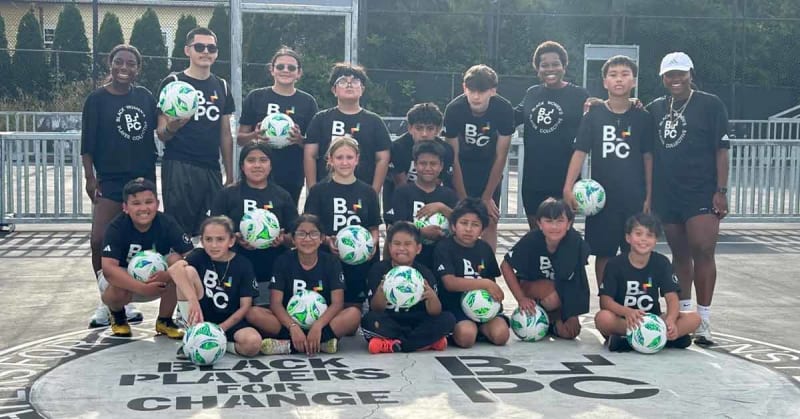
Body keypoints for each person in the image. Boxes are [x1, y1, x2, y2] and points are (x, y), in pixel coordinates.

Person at [645, 52, 730, 346]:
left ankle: (704, 319)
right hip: (667, 192)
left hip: (701, 190)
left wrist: (721, 190)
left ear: (691, 73)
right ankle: (684, 314)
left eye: (681, 73)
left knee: (703, 249)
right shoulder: (656, 107)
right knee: (679, 254)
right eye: (670, 74)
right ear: (662, 78)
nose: (675, 79)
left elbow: (722, 149)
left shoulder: (709, 104)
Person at [81, 44, 155, 328]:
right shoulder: (97, 99)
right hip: (110, 180)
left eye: (131, 63)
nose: (124, 68)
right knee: (99, 240)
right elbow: (87, 143)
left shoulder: (145, 97)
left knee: (133, 244)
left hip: (140, 181)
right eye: (119, 62)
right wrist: (90, 176)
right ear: (109, 64)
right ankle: (106, 301)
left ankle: (126, 298)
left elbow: (153, 137)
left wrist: (151, 187)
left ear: (138, 68)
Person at [563, 55, 654, 286]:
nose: (619, 80)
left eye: (625, 74)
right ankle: (606, 299)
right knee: (603, 253)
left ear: (633, 80)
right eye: (613, 75)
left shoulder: (642, 116)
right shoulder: (593, 115)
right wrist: (568, 187)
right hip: (602, 200)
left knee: (633, 251)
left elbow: (648, 157)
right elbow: (580, 151)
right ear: (604, 82)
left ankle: (626, 300)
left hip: (633, 197)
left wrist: (648, 196)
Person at [157, 27, 235, 237]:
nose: (206, 51)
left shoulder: (222, 86)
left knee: (213, 230)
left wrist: (230, 173)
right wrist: (173, 126)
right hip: (180, 165)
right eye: (199, 46)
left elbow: (225, 134)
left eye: (211, 47)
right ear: (187, 50)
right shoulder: (173, 83)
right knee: (180, 231)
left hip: (211, 167)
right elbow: (161, 132)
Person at [252, 214, 362, 355]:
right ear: (293, 239)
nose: (307, 239)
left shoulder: (331, 262)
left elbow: (337, 303)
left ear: (322, 238)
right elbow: (276, 304)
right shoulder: (283, 261)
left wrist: (318, 325)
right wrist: (292, 326)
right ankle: (321, 344)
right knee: (253, 313)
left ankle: (289, 346)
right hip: (289, 323)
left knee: (354, 314)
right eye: (301, 234)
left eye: (314, 234)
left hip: (323, 323)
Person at [99, 178, 194, 338]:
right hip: (125, 283)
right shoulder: (116, 227)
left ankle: (164, 320)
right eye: (136, 203)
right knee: (115, 286)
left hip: (158, 279)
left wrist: (170, 274)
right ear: (125, 208)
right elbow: (108, 269)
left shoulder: (167, 222)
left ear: (157, 204)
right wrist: (141, 287)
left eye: (148, 202)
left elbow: (192, 256)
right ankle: (118, 315)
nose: (143, 208)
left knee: (178, 263)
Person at [209, 141, 298, 309]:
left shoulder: (282, 196)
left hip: (271, 266)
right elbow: (211, 231)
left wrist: (283, 239)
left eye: (263, 160)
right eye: (251, 160)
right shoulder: (227, 195)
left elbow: (296, 236)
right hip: (235, 266)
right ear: (242, 166)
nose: (257, 165)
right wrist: (233, 238)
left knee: (262, 314)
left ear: (271, 165)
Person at [595, 213, 701, 351]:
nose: (643, 239)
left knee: (694, 318)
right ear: (628, 237)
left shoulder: (661, 263)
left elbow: (672, 298)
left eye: (649, 235)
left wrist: (670, 320)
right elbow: (605, 301)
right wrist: (627, 312)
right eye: (638, 234)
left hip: (654, 320)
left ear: (656, 239)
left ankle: (639, 339)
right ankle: (659, 339)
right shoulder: (615, 264)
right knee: (602, 318)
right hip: (626, 320)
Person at [516, 41, 590, 229]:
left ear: (564, 66)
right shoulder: (532, 94)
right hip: (533, 182)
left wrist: (630, 102)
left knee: (563, 238)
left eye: (555, 64)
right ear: (537, 69)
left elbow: (604, 113)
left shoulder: (579, 95)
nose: (551, 69)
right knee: (538, 238)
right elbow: (511, 116)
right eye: (545, 65)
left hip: (565, 181)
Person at [304, 137, 381, 308]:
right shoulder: (319, 191)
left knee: (351, 321)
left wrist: (372, 243)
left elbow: (374, 227)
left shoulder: (368, 192)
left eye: (349, 157)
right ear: (330, 160)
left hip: (357, 265)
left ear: (357, 159)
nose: (344, 162)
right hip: (327, 260)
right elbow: (308, 227)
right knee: (326, 309)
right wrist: (326, 240)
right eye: (339, 157)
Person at [444, 65, 515, 251]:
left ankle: (488, 269)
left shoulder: (504, 109)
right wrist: (462, 197)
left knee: (489, 219)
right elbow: (453, 157)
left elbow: (501, 155)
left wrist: (487, 196)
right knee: (458, 219)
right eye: (472, 91)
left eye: (482, 91)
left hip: (489, 170)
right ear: (464, 88)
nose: (476, 97)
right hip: (462, 169)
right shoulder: (454, 109)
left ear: (492, 91)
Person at [170, 216, 263, 357]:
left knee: (253, 343)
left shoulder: (243, 264)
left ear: (231, 241)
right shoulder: (199, 256)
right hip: (200, 318)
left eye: (220, 239)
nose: (214, 245)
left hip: (230, 321)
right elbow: (174, 270)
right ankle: (193, 335)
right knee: (186, 272)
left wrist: (219, 330)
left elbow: (245, 306)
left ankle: (219, 344)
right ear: (201, 241)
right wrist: (193, 301)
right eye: (208, 239)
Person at [237, 46, 319, 204]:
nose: (285, 70)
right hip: (256, 172)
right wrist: (255, 136)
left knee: (285, 222)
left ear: (299, 73)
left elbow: (313, 146)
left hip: (291, 174)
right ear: (272, 70)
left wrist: (299, 139)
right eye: (280, 66)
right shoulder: (256, 97)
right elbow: (240, 139)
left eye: (291, 67)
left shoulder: (307, 102)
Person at [500, 199, 590, 339]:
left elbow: (578, 280)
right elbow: (506, 265)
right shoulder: (532, 239)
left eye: (560, 221)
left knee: (570, 332)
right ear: (539, 224)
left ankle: (551, 322)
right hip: (534, 286)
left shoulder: (576, 243)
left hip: (562, 290)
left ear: (569, 224)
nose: (554, 227)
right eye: (549, 221)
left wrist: (573, 314)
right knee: (553, 295)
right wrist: (521, 298)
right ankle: (534, 309)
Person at [362, 221, 456, 354]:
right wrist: (381, 292)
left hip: (418, 321)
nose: (401, 248)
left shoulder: (425, 272)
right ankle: (424, 343)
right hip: (391, 320)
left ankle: (395, 344)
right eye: (397, 244)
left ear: (418, 248)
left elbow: (435, 312)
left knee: (448, 319)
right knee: (369, 320)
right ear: (389, 246)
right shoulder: (379, 269)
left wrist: (431, 297)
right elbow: (375, 308)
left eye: (407, 244)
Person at [304, 63, 391, 194]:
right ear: (334, 90)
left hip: (362, 193)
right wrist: (313, 190)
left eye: (355, 81)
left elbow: (382, 158)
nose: (349, 84)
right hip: (326, 192)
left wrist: (374, 193)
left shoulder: (375, 121)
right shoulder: (320, 119)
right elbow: (310, 155)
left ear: (362, 89)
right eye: (343, 81)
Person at [434, 198, 509, 348]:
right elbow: (449, 283)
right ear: (454, 226)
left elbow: (491, 281)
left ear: (482, 230)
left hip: (483, 306)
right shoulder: (444, 247)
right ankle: (467, 329)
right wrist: (484, 284)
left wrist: (493, 298)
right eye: (464, 223)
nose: (468, 229)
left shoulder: (484, 249)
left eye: (475, 225)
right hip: (455, 306)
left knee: (501, 336)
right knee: (466, 338)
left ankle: (481, 327)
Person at [387, 141, 458, 270]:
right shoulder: (402, 192)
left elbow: (459, 223)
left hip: (441, 259)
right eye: (423, 163)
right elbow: (396, 227)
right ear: (415, 165)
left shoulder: (449, 195)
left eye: (433, 164)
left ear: (441, 166)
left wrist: (442, 208)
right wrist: (421, 232)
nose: (428, 168)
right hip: (411, 260)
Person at [384, 102, 454, 225]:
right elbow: (400, 184)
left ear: (438, 130)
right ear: (410, 128)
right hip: (399, 192)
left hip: (430, 192)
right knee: (396, 230)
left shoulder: (446, 150)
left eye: (430, 128)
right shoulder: (398, 147)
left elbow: (438, 181)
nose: (424, 134)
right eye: (419, 128)